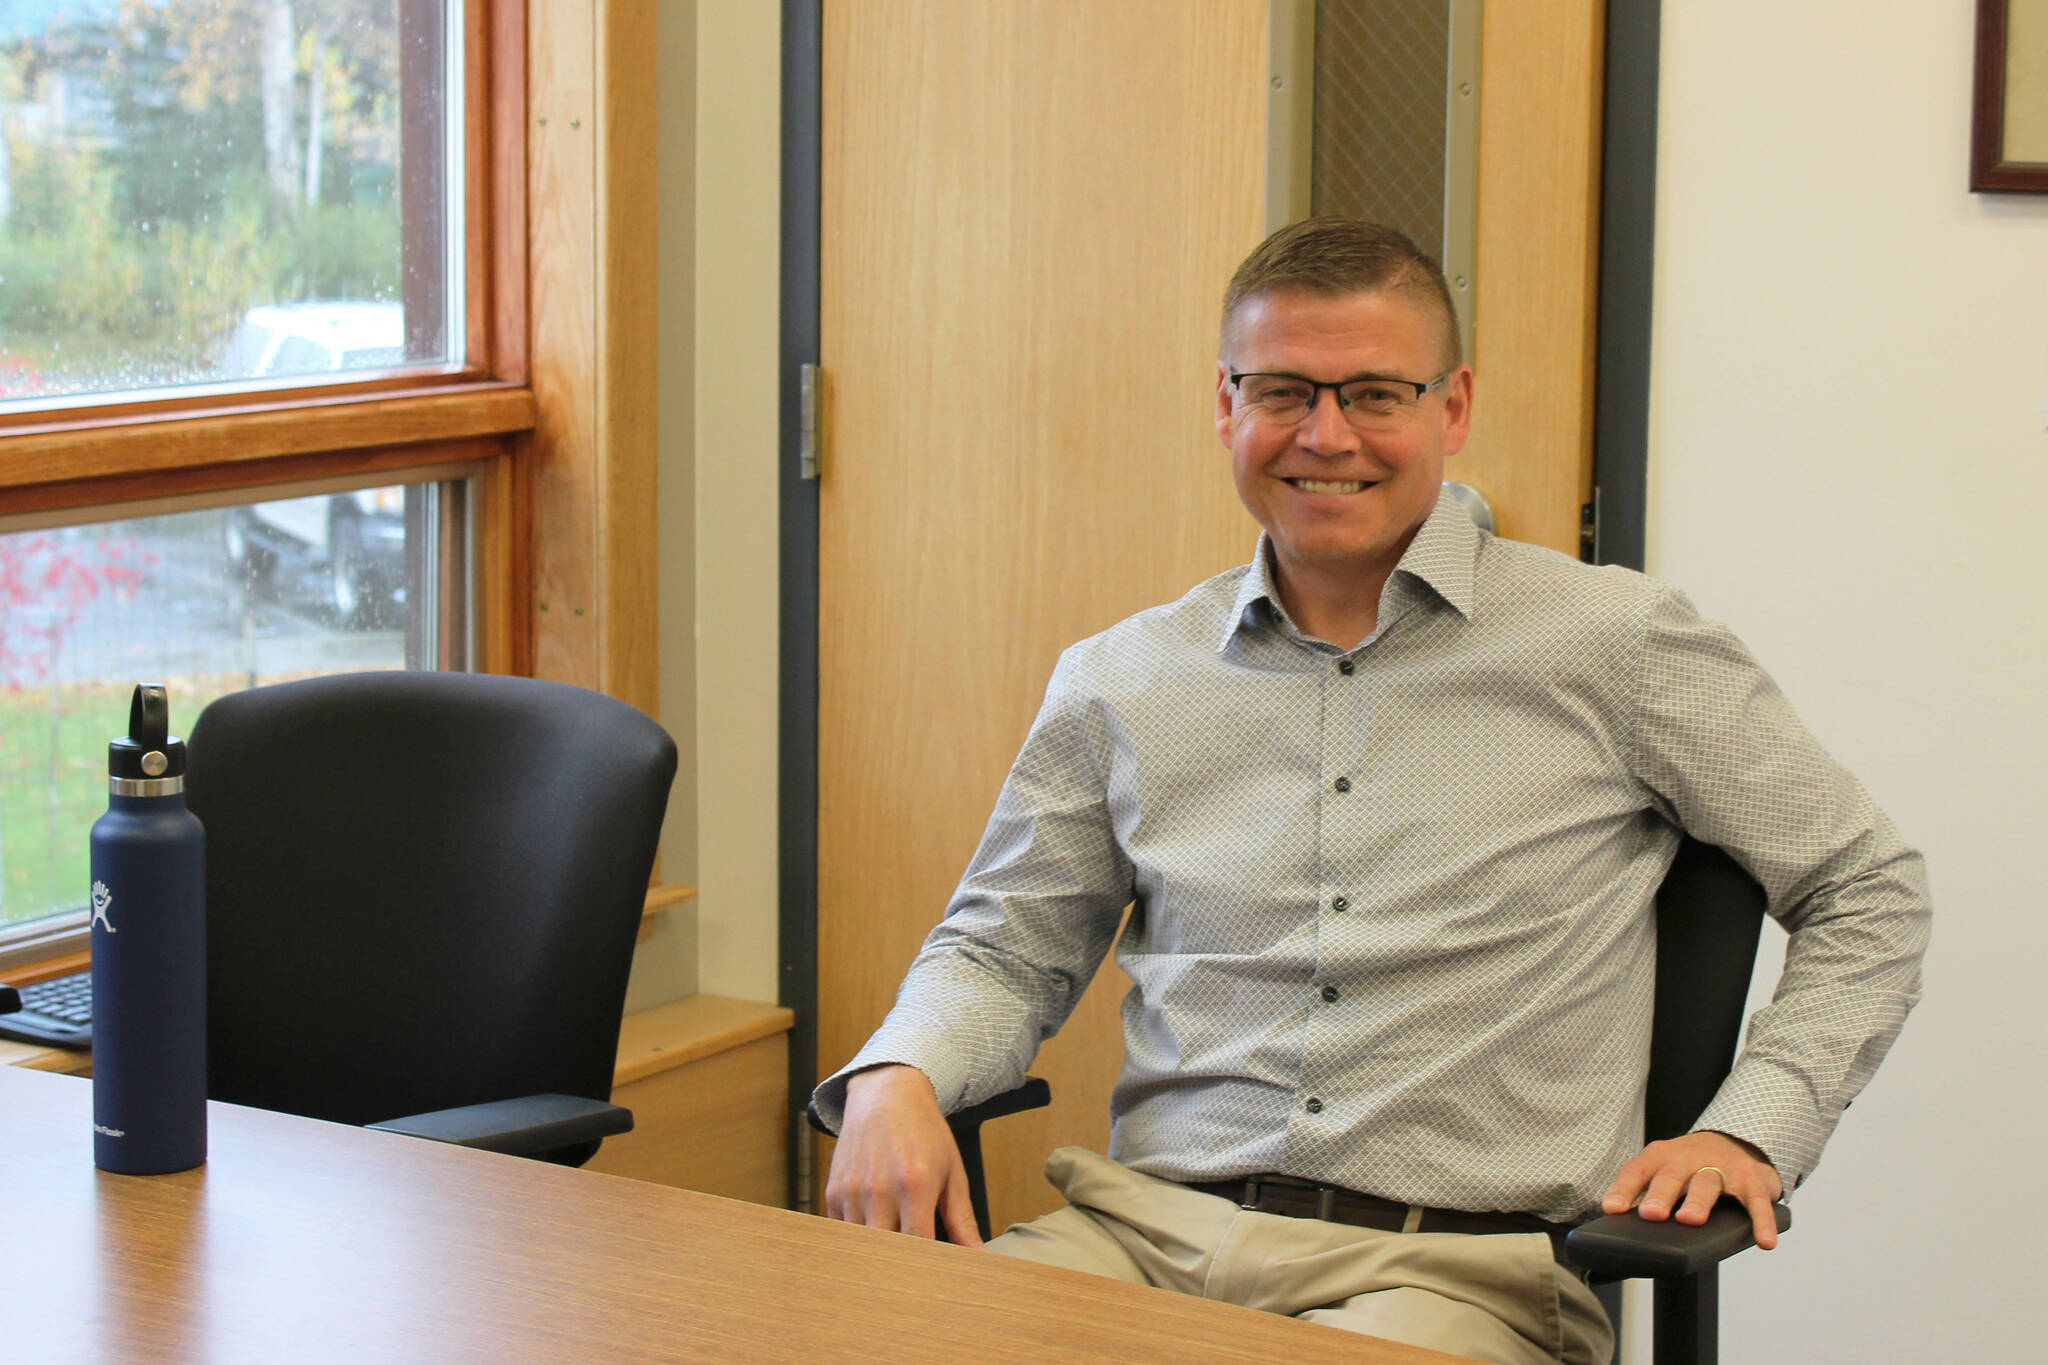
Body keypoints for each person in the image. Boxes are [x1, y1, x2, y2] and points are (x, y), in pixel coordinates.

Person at [811, 217, 1930, 1365]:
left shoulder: (1616, 643)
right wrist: (900, 1072)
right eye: (1283, 390)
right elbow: (1004, 951)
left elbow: (1865, 888)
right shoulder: (1123, 678)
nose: (1324, 434)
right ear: (1224, 405)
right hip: (1140, 1245)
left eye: (1375, 395)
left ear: (1449, 409)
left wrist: (1751, 1129)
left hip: (1452, 1277)